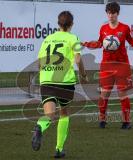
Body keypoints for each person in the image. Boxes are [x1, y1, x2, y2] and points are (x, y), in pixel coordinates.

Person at [82, 1, 133, 129]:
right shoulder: (103, 28)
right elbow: (100, 43)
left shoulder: (124, 28)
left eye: (113, 13)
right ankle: (102, 120)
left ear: (118, 14)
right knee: (104, 94)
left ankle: (126, 122)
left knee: (122, 94)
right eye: (109, 13)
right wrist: (87, 44)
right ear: (107, 14)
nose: (111, 16)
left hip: (122, 65)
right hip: (107, 66)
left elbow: (131, 40)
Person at [31, 11, 87, 158]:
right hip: (65, 82)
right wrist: (83, 75)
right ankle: (58, 148)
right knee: (64, 114)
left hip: (47, 80)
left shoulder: (48, 39)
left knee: (49, 115)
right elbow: (78, 60)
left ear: (58, 24)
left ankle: (39, 126)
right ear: (72, 24)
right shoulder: (73, 38)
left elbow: (39, 63)